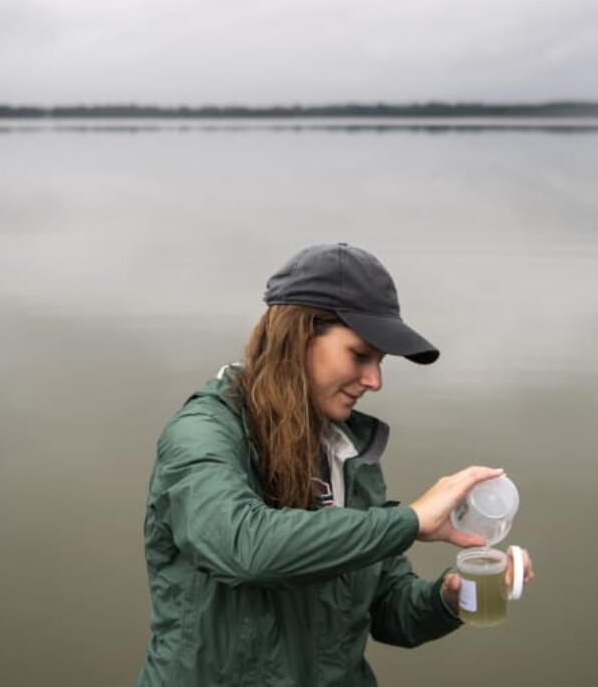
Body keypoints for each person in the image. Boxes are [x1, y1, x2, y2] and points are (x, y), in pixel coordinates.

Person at [137, 243, 535, 686]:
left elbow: (390, 612)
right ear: (299, 335)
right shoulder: (203, 432)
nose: (375, 380)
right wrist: (409, 521)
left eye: (380, 363)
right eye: (360, 355)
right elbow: (241, 546)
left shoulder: (348, 451)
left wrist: (448, 597)